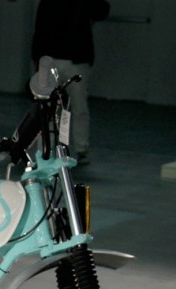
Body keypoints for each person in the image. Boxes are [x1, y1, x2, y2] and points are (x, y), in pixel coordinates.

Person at [31, 0, 110, 165]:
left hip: (63, 57)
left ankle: (48, 150)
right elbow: (100, 11)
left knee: (55, 107)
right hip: (69, 58)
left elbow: (39, 27)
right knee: (70, 107)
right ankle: (72, 149)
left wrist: (37, 58)